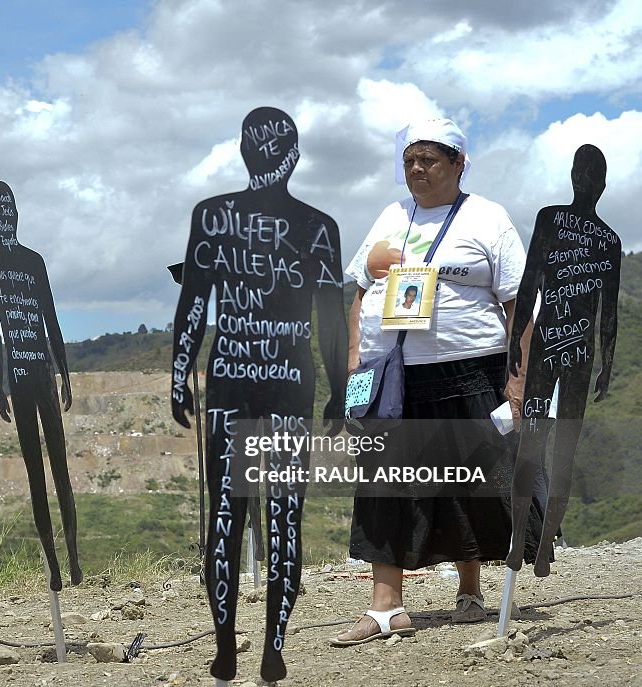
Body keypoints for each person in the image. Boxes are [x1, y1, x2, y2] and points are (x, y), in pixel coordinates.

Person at [333, 118, 537, 645]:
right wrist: (356, 363)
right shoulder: (390, 215)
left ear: (458, 164)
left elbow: (518, 303)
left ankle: (469, 587)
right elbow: (358, 293)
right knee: (383, 482)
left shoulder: (488, 218)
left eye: (429, 159)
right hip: (390, 374)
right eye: (409, 160)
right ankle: (386, 609)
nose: (417, 169)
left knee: (470, 480)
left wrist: (518, 383)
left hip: (470, 369)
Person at [171, 107, 347, 681]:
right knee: (284, 515)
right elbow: (332, 321)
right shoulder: (319, 226)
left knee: (227, 514)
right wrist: (341, 388)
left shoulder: (213, 216)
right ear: (291, 157)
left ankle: (227, 649)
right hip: (290, 383)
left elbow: (193, 302)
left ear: (245, 152)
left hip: (229, 379)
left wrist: (179, 374)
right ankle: (272, 648)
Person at [506, 144, 619, 577]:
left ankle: (530, 542)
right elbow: (532, 278)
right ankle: (527, 542)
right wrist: (605, 361)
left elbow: (534, 278)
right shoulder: (598, 236)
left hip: (559, 348)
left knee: (544, 446)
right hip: (573, 352)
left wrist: (519, 339)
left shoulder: (562, 223)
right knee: (550, 448)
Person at [0, 180, 81, 592]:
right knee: (34, 473)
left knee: (61, 467)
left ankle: (74, 559)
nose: (5, 217)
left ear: (16, 214)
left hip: (41, 371)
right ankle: (53, 564)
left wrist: (65, 371)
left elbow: (50, 317)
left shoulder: (34, 261)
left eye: (9, 210)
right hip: (18, 380)